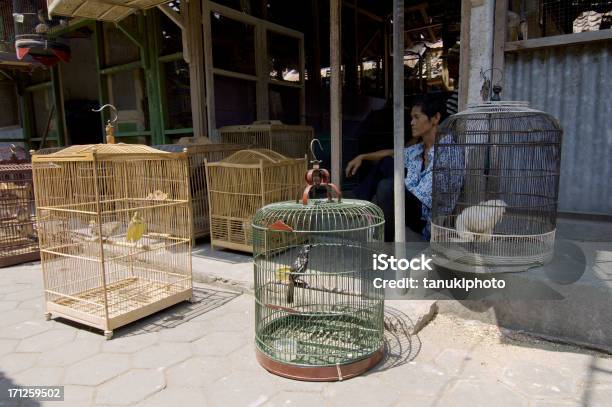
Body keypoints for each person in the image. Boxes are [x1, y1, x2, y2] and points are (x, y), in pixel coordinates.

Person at [346, 93, 461, 242]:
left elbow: (426, 198)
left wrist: (397, 185)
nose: (412, 122)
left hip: (428, 217)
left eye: (417, 117)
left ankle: (383, 241)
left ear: (435, 118)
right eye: (411, 118)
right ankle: (360, 204)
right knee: (386, 162)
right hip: (414, 204)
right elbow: (394, 153)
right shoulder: (419, 149)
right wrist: (363, 157)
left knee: (387, 187)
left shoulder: (449, 152)